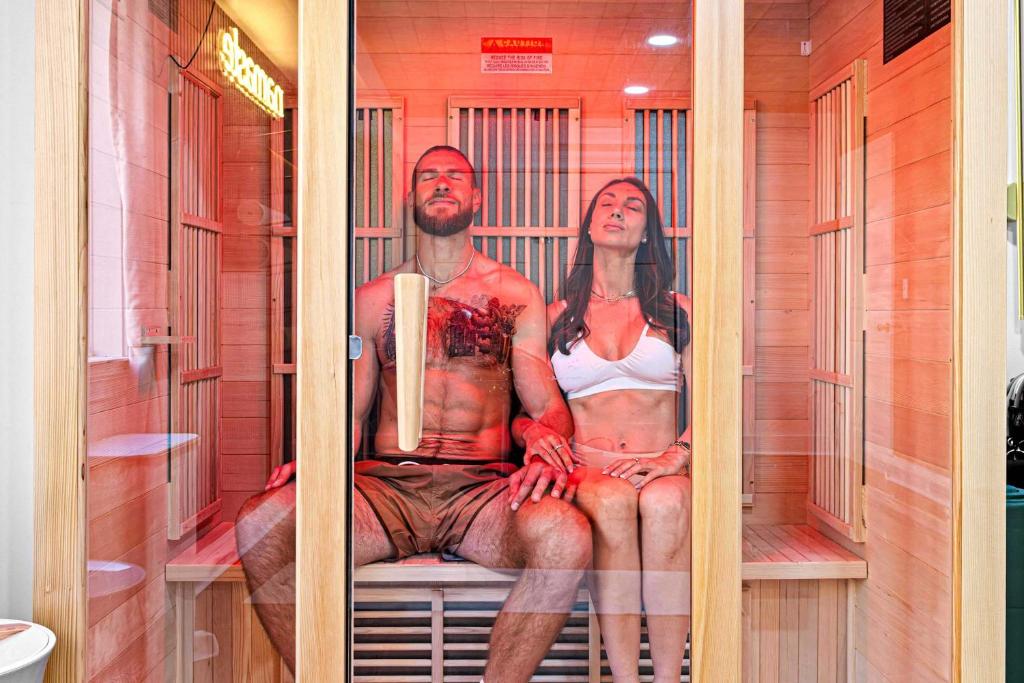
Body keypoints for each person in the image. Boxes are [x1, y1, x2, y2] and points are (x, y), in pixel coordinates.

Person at [234, 145, 593, 683]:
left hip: (483, 492)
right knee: (261, 523)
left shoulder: (514, 293)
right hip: (385, 489)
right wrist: (318, 460)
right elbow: (351, 411)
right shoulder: (373, 298)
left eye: (455, 176)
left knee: (566, 537)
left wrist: (547, 450)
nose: (442, 183)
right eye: (429, 176)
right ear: (412, 197)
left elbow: (546, 405)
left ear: (476, 197)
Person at [514, 177, 692, 683]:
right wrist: (532, 435)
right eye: (607, 204)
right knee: (613, 502)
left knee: (667, 504)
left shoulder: (676, 310)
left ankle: (668, 678)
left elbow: (719, 404)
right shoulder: (556, 316)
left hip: (661, 463)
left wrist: (677, 454)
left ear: (647, 232)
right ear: (589, 227)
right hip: (588, 466)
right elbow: (523, 413)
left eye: (632, 206)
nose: (617, 211)